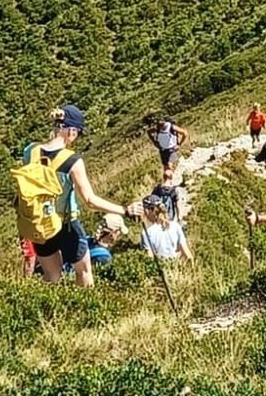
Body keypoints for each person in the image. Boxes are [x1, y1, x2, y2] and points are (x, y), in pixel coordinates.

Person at [15, 103, 135, 290]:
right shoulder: (72, 160)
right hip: (66, 225)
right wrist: (124, 210)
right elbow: (90, 200)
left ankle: (45, 313)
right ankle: (87, 310)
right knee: (84, 271)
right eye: (78, 132)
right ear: (71, 131)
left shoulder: (30, 151)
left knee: (51, 276)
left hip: (38, 224)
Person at [140, 193, 193, 262]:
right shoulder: (175, 226)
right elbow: (188, 255)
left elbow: (150, 258)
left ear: (148, 211)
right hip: (175, 267)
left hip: (160, 268)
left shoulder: (146, 233)